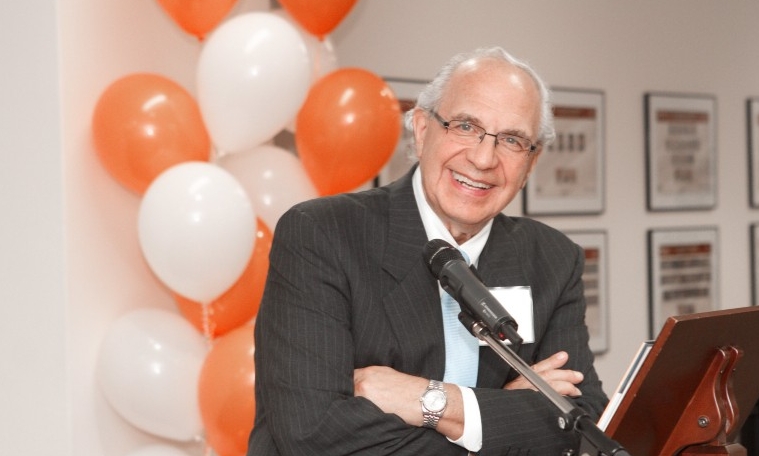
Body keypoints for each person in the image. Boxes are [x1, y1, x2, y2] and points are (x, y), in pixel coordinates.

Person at [248, 46, 608, 455]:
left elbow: (583, 424)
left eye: (511, 139)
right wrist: (508, 414)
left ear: (532, 161)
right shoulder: (322, 235)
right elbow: (315, 434)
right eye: (466, 127)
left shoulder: (553, 259)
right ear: (421, 130)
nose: (483, 158)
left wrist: (432, 401)